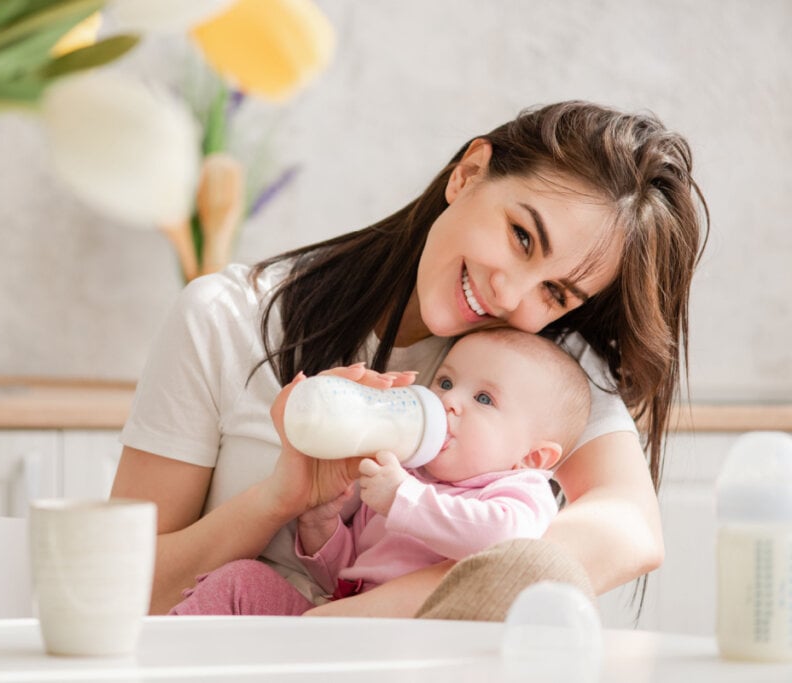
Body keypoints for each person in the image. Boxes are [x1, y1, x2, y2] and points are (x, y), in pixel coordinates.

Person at [112, 100, 708, 617]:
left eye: (555, 292)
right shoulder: (227, 318)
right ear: (469, 174)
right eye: (522, 236)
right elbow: (117, 590)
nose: (511, 294)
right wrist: (279, 500)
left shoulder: (542, 365)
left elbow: (630, 530)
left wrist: (365, 620)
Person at [168, 327, 591, 615]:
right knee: (243, 580)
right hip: (339, 620)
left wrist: (403, 498)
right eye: (445, 383)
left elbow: (505, 542)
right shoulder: (407, 472)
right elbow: (346, 572)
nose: (449, 402)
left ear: (532, 458)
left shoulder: (518, 490)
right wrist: (322, 524)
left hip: (414, 644)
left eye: (483, 399)